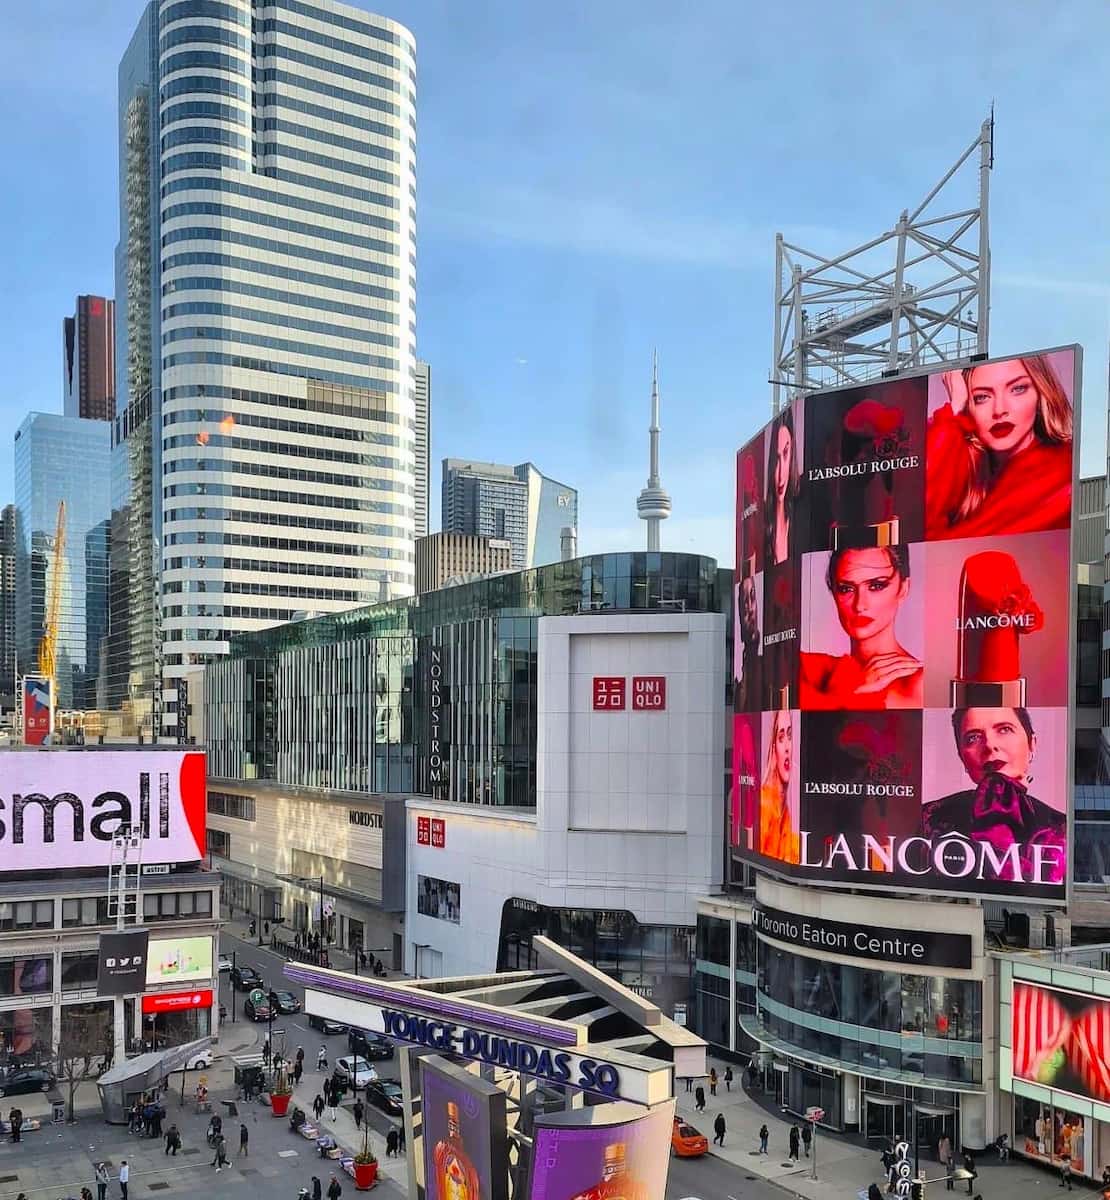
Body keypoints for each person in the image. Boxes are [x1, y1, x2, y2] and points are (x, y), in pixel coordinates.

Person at [926, 354, 1073, 541]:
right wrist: (954, 409)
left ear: (1040, 393)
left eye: (1018, 389)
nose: (999, 410)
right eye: (981, 397)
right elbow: (914, 523)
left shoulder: (1062, 469)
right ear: (967, 408)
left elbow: (934, 537)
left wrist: (947, 423)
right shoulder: (967, 470)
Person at [921, 707, 1066, 885]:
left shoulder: (1060, 829)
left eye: (1004, 729)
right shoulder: (929, 818)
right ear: (961, 756)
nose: (989, 745)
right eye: (973, 737)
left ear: (1031, 744)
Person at [800, 545, 923, 709]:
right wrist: (851, 690)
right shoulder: (808, 672)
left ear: (903, 589)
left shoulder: (918, 684)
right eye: (846, 589)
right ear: (833, 592)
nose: (860, 605)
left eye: (876, 586)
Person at [759, 709, 800, 863]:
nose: (787, 747)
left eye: (790, 736)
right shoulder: (763, 805)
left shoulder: (786, 811)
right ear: (773, 747)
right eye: (781, 737)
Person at [765, 406, 799, 566]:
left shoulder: (804, 514)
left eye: (785, 453)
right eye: (776, 458)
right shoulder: (763, 523)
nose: (780, 474)